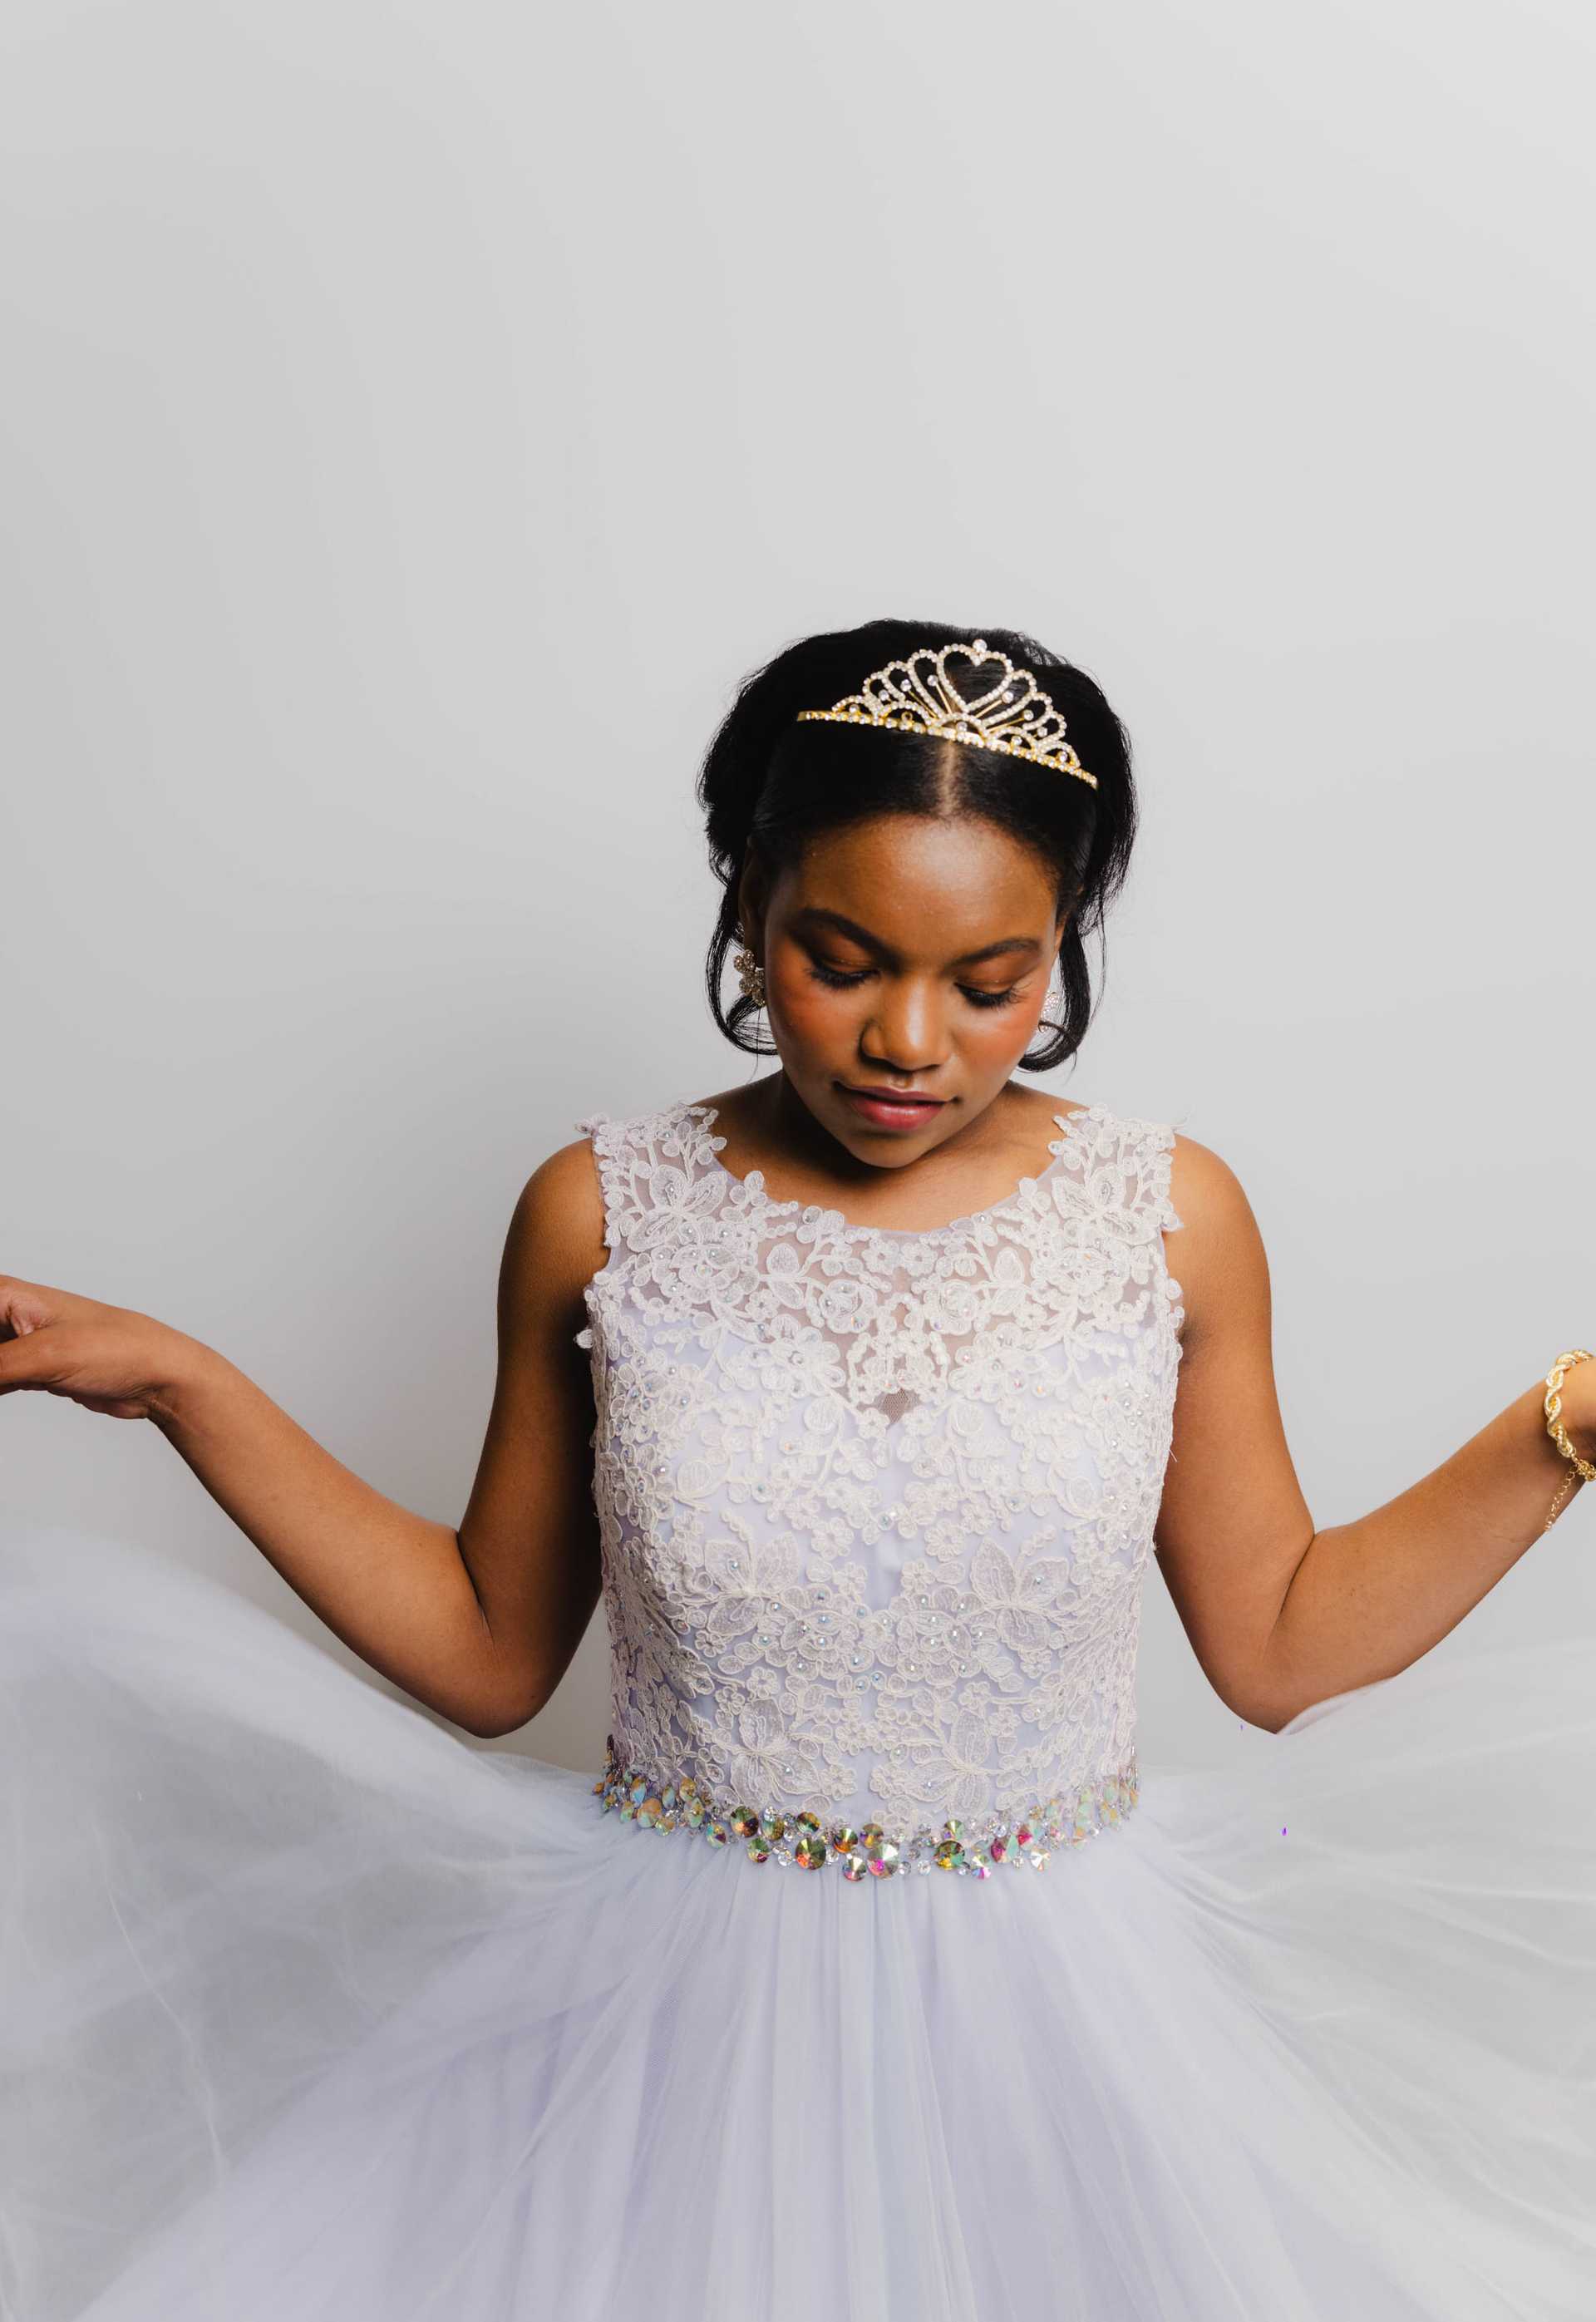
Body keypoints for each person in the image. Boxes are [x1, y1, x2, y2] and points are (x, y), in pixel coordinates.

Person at [1, 618, 1592, 2322]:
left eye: (993, 982)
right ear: (749, 899)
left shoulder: (1172, 1216)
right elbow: (485, 1646)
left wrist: (1562, 1425)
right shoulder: (598, 1209)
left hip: (1066, 2027)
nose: (912, 1039)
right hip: (667, 2029)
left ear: (1065, 949)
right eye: (844, 958)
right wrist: (181, 1382)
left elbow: (1283, 1642)